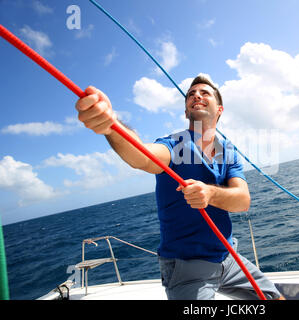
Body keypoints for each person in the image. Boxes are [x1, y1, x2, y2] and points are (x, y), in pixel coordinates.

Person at [75, 75, 283, 300]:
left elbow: (242, 200)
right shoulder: (174, 145)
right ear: (186, 112)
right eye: (191, 94)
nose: (196, 95)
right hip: (187, 267)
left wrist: (210, 193)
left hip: (228, 257)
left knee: (276, 298)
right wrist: (111, 126)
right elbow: (143, 157)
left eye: (205, 93)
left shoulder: (228, 153)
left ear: (219, 109)